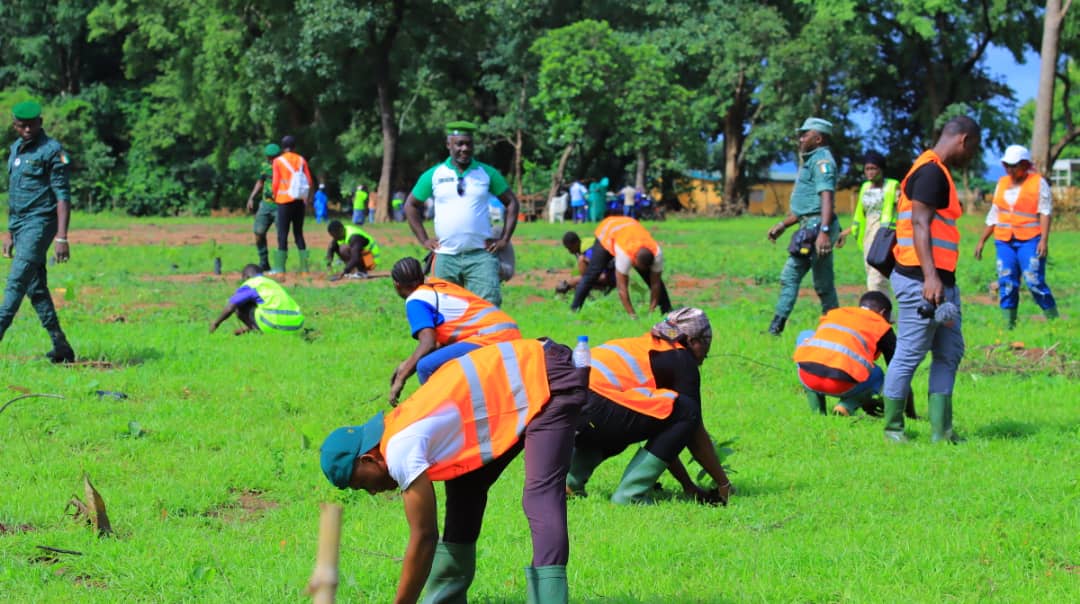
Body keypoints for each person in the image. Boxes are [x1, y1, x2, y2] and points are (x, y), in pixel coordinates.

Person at [319, 338, 585, 603]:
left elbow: (424, 537)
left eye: (363, 485)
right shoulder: (395, 429)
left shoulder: (400, 447)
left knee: (540, 496)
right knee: (464, 488)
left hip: (548, 379)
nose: (373, 492)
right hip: (523, 379)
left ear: (368, 459)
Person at [566, 308, 732, 505]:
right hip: (597, 405)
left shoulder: (647, 346)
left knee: (640, 418)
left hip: (570, 406)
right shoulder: (681, 358)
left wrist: (688, 486)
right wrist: (723, 484)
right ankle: (629, 497)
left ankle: (569, 482)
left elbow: (666, 434)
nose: (705, 354)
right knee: (688, 410)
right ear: (694, 341)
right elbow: (692, 430)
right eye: (705, 345)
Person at [882, 116, 980, 444]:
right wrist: (931, 277)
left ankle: (942, 430)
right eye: (974, 148)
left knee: (949, 350)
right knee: (910, 351)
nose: (973, 155)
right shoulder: (930, 172)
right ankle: (893, 430)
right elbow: (920, 224)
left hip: (941, 283)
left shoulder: (936, 171)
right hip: (921, 282)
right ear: (963, 140)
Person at [404, 121, 520, 307]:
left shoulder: (487, 173)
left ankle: (484, 337)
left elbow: (511, 202)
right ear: (449, 144)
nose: (464, 149)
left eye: (468, 144)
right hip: (446, 257)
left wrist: (504, 239)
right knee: (445, 310)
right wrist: (424, 240)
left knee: (488, 308)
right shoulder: (434, 174)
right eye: (459, 144)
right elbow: (410, 205)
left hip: (481, 256)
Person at [387, 256, 521, 405]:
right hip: (507, 332)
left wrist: (401, 378)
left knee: (426, 367)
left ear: (397, 284)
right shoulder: (436, 284)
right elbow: (439, 345)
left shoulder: (416, 300)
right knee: (432, 362)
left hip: (491, 336)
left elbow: (428, 343)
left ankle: (445, 414)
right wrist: (406, 365)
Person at [0, 100, 75, 362]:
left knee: (16, 282)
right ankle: (61, 347)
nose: (28, 129)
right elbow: (15, 196)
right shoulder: (15, 151)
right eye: (22, 125)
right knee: (35, 287)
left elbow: (62, 197)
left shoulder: (52, 151)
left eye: (32, 124)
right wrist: (10, 233)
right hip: (20, 226)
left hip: (41, 224)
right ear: (15, 126)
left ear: (40, 122)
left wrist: (62, 236)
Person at [765, 117, 841, 336]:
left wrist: (824, 232)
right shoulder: (811, 160)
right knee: (796, 277)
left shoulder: (822, 161)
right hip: (809, 226)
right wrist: (783, 225)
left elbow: (826, 197)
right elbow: (806, 206)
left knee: (821, 283)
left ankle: (834, 328)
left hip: (818, 228)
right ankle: (776, 328)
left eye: (805, 134)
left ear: (817, 139)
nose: (800, 138)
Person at [973, 144, 1058, 328]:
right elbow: (995, 213)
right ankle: (1009, 326)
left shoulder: (1037, 182)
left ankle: (1055, 321)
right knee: (1007, 281)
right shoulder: (1002, 183)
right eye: (1007, 166)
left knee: (1033, 280)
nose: (1010, 170)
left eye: (1015, 166)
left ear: (1025, 165)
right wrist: (982, 240)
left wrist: (1044, 239)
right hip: (1004, 241)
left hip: (1030, 239)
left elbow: (1045, 211)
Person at [793, 291, 914, 417]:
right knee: (877, 373)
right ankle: (847, 405)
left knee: (805, 335)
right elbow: (899, 371)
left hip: (808, 377)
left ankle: (818, 411)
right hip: (841, 385)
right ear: (883, 313)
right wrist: (911, 412)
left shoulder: (835, 313)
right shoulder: (881, 325)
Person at [570, 216, 672, 319]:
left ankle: (667, 310)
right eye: (639, 267)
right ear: (634, 260)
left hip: (628, 229)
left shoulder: (657, 254)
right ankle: (574, 309)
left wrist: (652, 311)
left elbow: (656, 284)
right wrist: (633, 315)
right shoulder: (624, 255)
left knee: (650, 278)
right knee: (593, 273)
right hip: (607, 231)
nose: (641, 270)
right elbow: (622, 287)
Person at [838, 151, 898, 294]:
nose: (870, 172)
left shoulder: (892, 187)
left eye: (873, 168)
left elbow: (904, 209)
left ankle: (876, 311)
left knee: (877, 279)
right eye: (867, 169)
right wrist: (845, 233)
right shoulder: (865, 188)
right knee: (871, 274)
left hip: (884, 237)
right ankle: (883, 312)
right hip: (868, 237)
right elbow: (860, 216)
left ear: (881, 169)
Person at [209, 264, 304, 335]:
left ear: (246, 277)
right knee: (260, 303)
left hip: (274, 325)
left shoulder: (251, 284)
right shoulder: (272, 283)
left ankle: (257, 331)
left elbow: (231, 306)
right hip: (297, 326)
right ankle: (252, 328)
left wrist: (216, 324)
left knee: (240, 305)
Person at [270, 135, 314, 273]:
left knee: (282, 234)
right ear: (294, 146)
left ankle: (280, 267)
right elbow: (309, 181)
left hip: (283, 201)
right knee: (298, 233)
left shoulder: (278, 161)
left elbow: (276, 182)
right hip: (299, 201)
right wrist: (305, 197)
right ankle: (305, 267)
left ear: (283, 147)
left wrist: (274, 195)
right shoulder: (301, 160)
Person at [245, 143, 280, 272]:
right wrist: (251, 197)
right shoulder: (265, 167)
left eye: (272, 158)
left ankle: (279, 265)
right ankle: (264, 262)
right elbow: (260, 181)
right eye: (268, 157)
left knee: (281, 236)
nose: (269, 160)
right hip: (266, 204)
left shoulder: (284, 168)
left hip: (280, 205)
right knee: (258, 232)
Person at [554, 231, 614, 296]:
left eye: (570, 248)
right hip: (607, 272)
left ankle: (600, 288)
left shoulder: (588, 251)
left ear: (576, 243)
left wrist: (569, 284)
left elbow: (603, 275)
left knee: (581, 268)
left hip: (610, 275)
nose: (569, 251)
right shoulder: (582, 245)